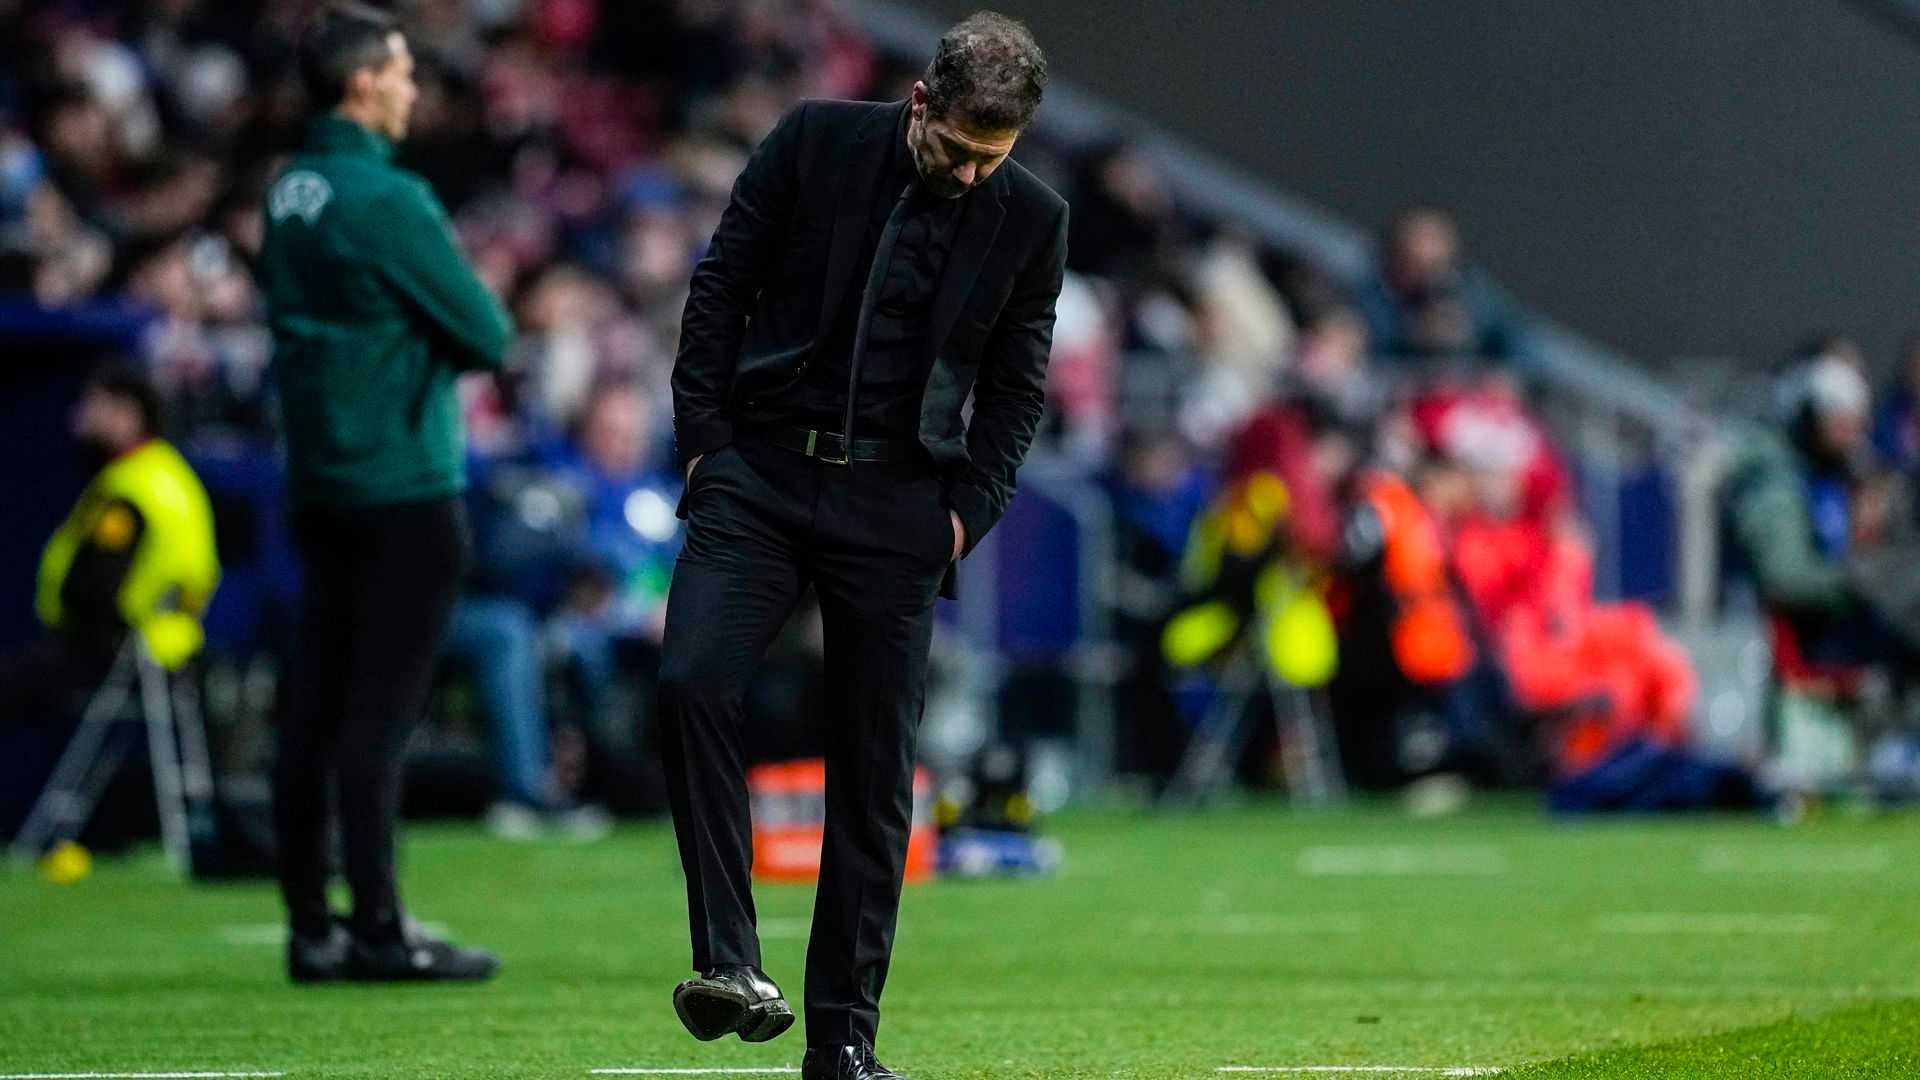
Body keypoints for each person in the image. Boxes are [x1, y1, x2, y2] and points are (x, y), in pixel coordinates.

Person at [660, 12, 1065, 1079]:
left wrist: (964, 516)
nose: (973, 177)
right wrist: (704, 448)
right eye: (957, 150)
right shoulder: (814, 140)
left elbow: (1019, 387)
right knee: (692, 678)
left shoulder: (1033, 217)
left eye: (995, 160)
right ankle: (731, 962)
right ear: (920, 102)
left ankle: (843, 1039)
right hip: (759, 472)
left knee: (876, 773)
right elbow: (720, 287)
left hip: (899, 505)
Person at [256, 3, 511, 983]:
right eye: (401, 71)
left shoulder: (289, 191)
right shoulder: (388, 200)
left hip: (319, 484)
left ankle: (309, 926)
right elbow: (487, 336)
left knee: (312, 709)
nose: (413, 87)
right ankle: (377, 928)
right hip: (404, 485)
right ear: (362, 83)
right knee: (378, 719)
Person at [4, 366, 217, 734]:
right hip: (162, 651)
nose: (79, 417)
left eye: (92, 405)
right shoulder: (163, 472)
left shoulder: (131, 491)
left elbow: (97, 587)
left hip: (128, 655)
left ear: (127, 414)